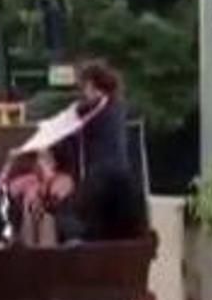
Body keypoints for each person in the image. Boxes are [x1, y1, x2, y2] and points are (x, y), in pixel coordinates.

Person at [56, 60, 148, 241]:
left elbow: (67, 125)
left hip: (101, 179)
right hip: (123, 178)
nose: (82, 92)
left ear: (90, 84)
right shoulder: (118, 106)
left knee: (68, 216)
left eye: (83, 87)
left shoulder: (92, 108)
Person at [6, 147, 77, 247]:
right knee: (29, 213)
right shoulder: (29, 179)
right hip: (28, 219)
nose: (41, 161)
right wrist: (11, 163)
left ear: (54, 162)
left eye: (47, 158)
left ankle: (46, 257)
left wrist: (47, 175)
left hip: (54, 218)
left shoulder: (64, 179)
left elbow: (54, 199)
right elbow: (11, 190)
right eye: (40, 158)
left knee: (46, 218)